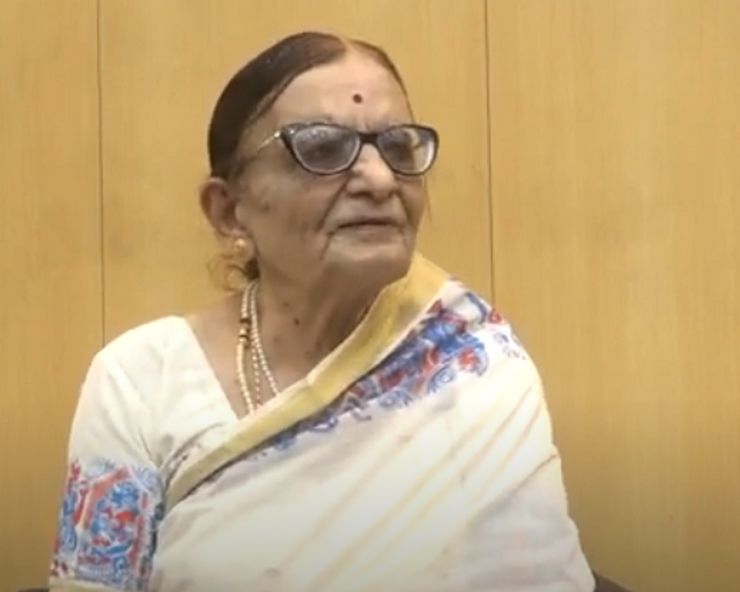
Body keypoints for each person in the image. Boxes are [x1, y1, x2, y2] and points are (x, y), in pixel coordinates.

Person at [49, 31, 595, 592]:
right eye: (322, 149)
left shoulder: (472, 361)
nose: (381, 180)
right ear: (229, 210)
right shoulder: (141, 380)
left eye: (399, 147)